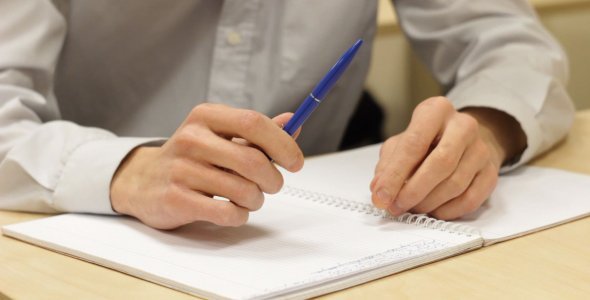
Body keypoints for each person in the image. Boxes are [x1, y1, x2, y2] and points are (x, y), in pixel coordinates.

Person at [0, 0, 574, 229]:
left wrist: (486, 129)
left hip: (306, 235)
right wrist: (125, 170)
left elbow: (509, 43)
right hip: (67, 232)